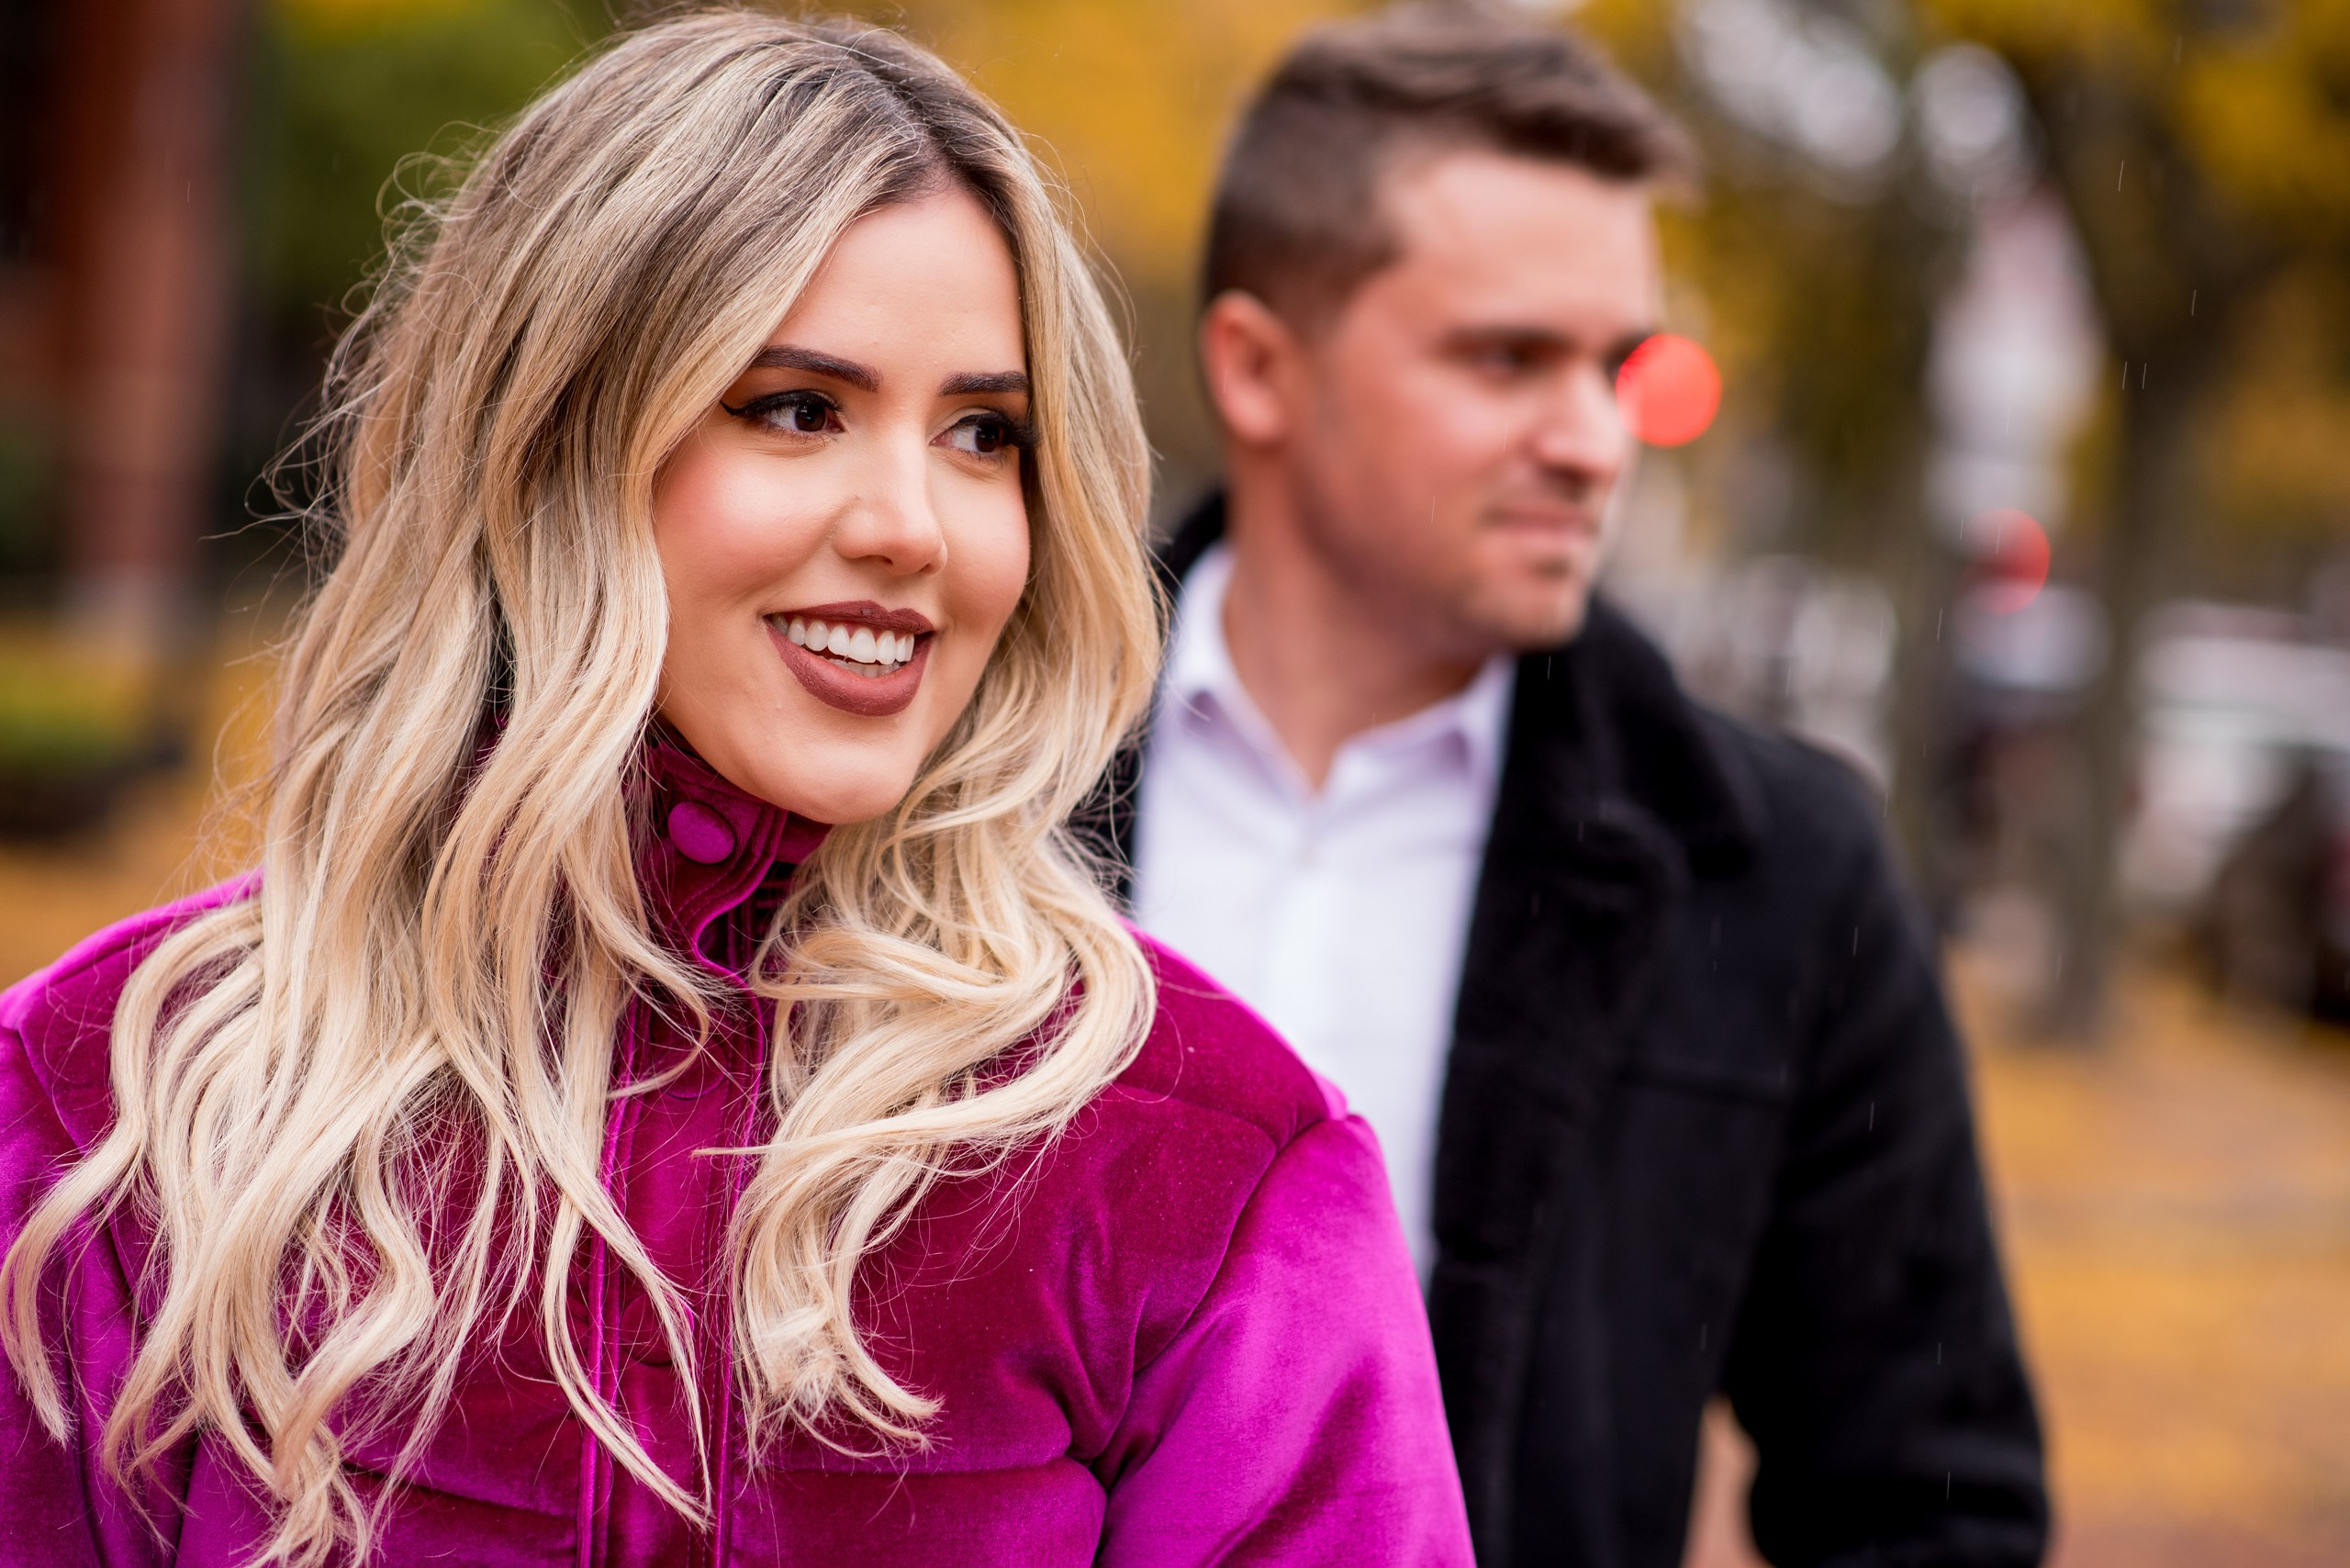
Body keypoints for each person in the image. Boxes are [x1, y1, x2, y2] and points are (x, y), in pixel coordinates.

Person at [0, 15, 1472, 1565]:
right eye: (796, 408)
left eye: (986, 434)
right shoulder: (105, 1103)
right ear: (554, 440)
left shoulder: (1209, 1173)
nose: (913, 522)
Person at [1091, 8, 2048, 1565]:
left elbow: (1927, 1500)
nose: (1598, 440)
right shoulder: (963, 774)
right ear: (1259, 370)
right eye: (1507, 358)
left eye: (1619, 364)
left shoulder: (1779, 876)